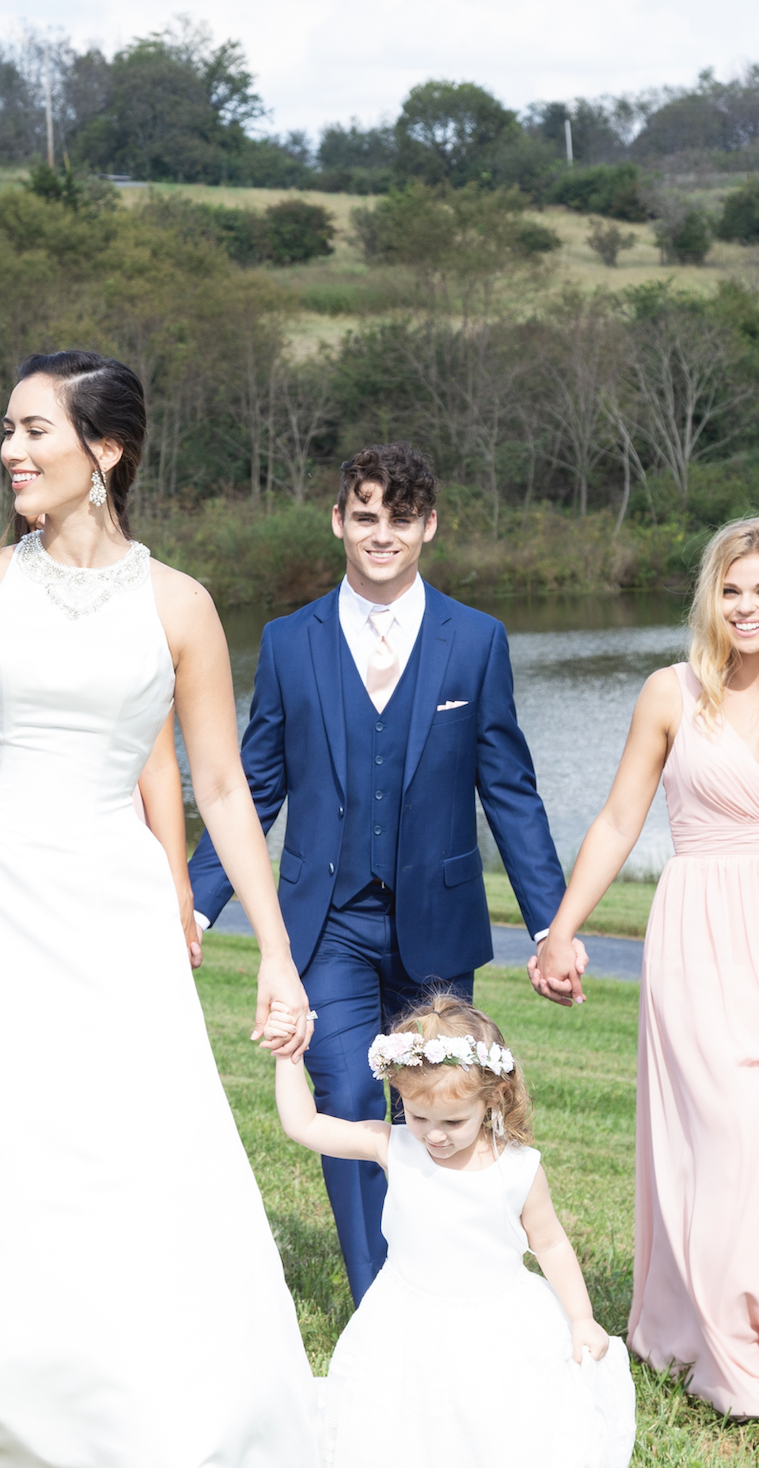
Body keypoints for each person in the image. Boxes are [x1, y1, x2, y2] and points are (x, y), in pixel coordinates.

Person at [0, 350, 325, 1468]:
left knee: (110, 1156)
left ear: (103, 451)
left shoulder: (181, 608)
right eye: (5, 431)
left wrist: (272, 948)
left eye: (33, 431)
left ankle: (115, 1417)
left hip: (108, 903)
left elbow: (218, 782)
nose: (9, 452)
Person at [186, 442, 579, 1305]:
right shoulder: (291, 643)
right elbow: (251, 786)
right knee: (352, 1095)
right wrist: (199, 903)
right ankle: (379, 1304)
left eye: (399, 518)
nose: (381, 534)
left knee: (436, 1106)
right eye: (364, 515)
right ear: (338, 520)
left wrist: (552, 925)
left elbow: (508, 788)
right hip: (324, 920)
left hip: (436, 922)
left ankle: (441, 1280)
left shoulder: (475, 642)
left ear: (427, 526)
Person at [531, 516, 759, 1419]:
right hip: (696, 930)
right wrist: (561, 929)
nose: (747, 606)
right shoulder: (669, 693)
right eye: (732, 589)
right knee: (726, 1139)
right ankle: (730, 1353)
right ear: (710, 598)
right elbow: (618, 821)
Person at [271, 992, 633, 1468]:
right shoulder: (397, 1146)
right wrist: (289, 1058)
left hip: (497, 1321)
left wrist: (581, 1317)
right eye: (418, 1117)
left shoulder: (517, 1167)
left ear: (491, 1098)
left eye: (452, 1123)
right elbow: (304, 1125)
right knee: (429, 1434)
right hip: (411, 1317)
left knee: (505, 1431)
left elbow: (551, 1245)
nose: (433, 1136)